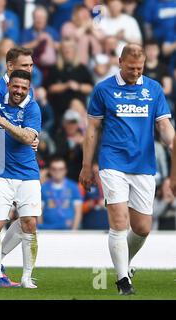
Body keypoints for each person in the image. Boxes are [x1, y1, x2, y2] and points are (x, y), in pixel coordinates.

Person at [79, 43, 175, 295]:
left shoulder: (153, 89)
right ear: (120, 62)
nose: (135, 72)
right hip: (113, 162)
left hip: (144, 164)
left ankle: (123, 264)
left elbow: (163, 125)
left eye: (139, 68)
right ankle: (123, 281)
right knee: (119, 222)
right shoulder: (103, 89)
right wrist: (86, 166)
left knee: (142, 228)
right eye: (131, 67)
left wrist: (172, 141)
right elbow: (91, 130)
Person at [0, 70, 41, 289]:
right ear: (9, 85)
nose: (19, 91)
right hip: (0, 172)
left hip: (28, 173)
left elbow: (27, 137)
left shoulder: (32, 107)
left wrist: (2, 121)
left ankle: (27, 277)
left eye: (24, 88)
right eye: (16, 87)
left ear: (28, 89)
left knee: (30, 224)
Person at [39, 156, 82, 230]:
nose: (57, 172)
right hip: (47, 229)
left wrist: (74, 231)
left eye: (61, 169)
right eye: (54, 169)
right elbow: (39, 211)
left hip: (67, 230)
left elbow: (78, 211)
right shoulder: (43, 187)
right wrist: (40, 228)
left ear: (65, 170)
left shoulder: (73, 187)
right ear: (50, 170)